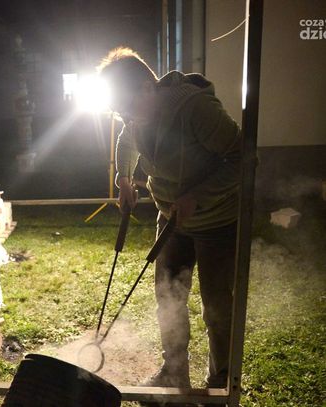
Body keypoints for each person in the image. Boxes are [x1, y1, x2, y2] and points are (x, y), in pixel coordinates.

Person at [97, 47, 241, 403]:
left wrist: (198, 196)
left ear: (148, 87)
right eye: (119, 111)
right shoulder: (136, 114)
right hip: (172, 219)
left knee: (217, 308)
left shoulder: (195, 108)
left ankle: (220, 382)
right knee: (168, 297)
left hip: (217, 220)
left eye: (127, 107)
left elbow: (242, 157)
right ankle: (173, 371)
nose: (125, 116)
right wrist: (124, 177)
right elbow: (126, 139)